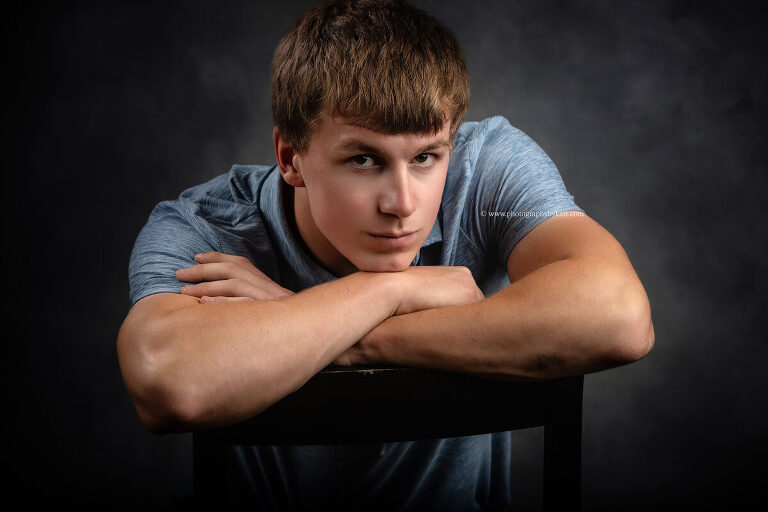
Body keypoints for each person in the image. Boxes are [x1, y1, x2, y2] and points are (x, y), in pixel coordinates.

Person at [117, 0, 654, 509]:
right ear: (291, 157)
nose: (403, 204)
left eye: (425, 157)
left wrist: (349, 338)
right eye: (363, 160)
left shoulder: (486, 173)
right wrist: (395, 289)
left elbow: (620, 317)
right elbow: (170, 382)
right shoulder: (209, 226)